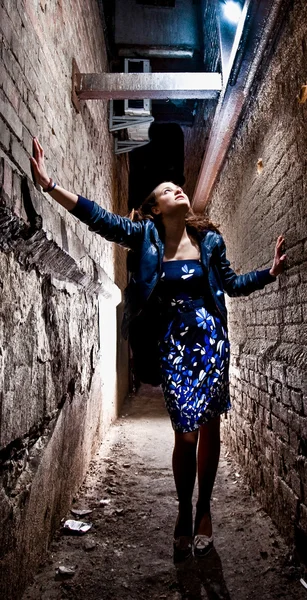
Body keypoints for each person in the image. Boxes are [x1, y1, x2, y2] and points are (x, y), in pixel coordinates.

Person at [30, 137, 286, 561]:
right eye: (167, 190)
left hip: (211, 348)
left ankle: (203, 511)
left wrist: (270, 272)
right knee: (184, 437)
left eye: (178, 188)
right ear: (154, 208)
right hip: (174, 351)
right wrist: (50, 184)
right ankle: (184, 510)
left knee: (209, 430)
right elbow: (100, 218)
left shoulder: (210, 244)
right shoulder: (145, 237)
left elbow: (233, 285)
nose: (177, 191)